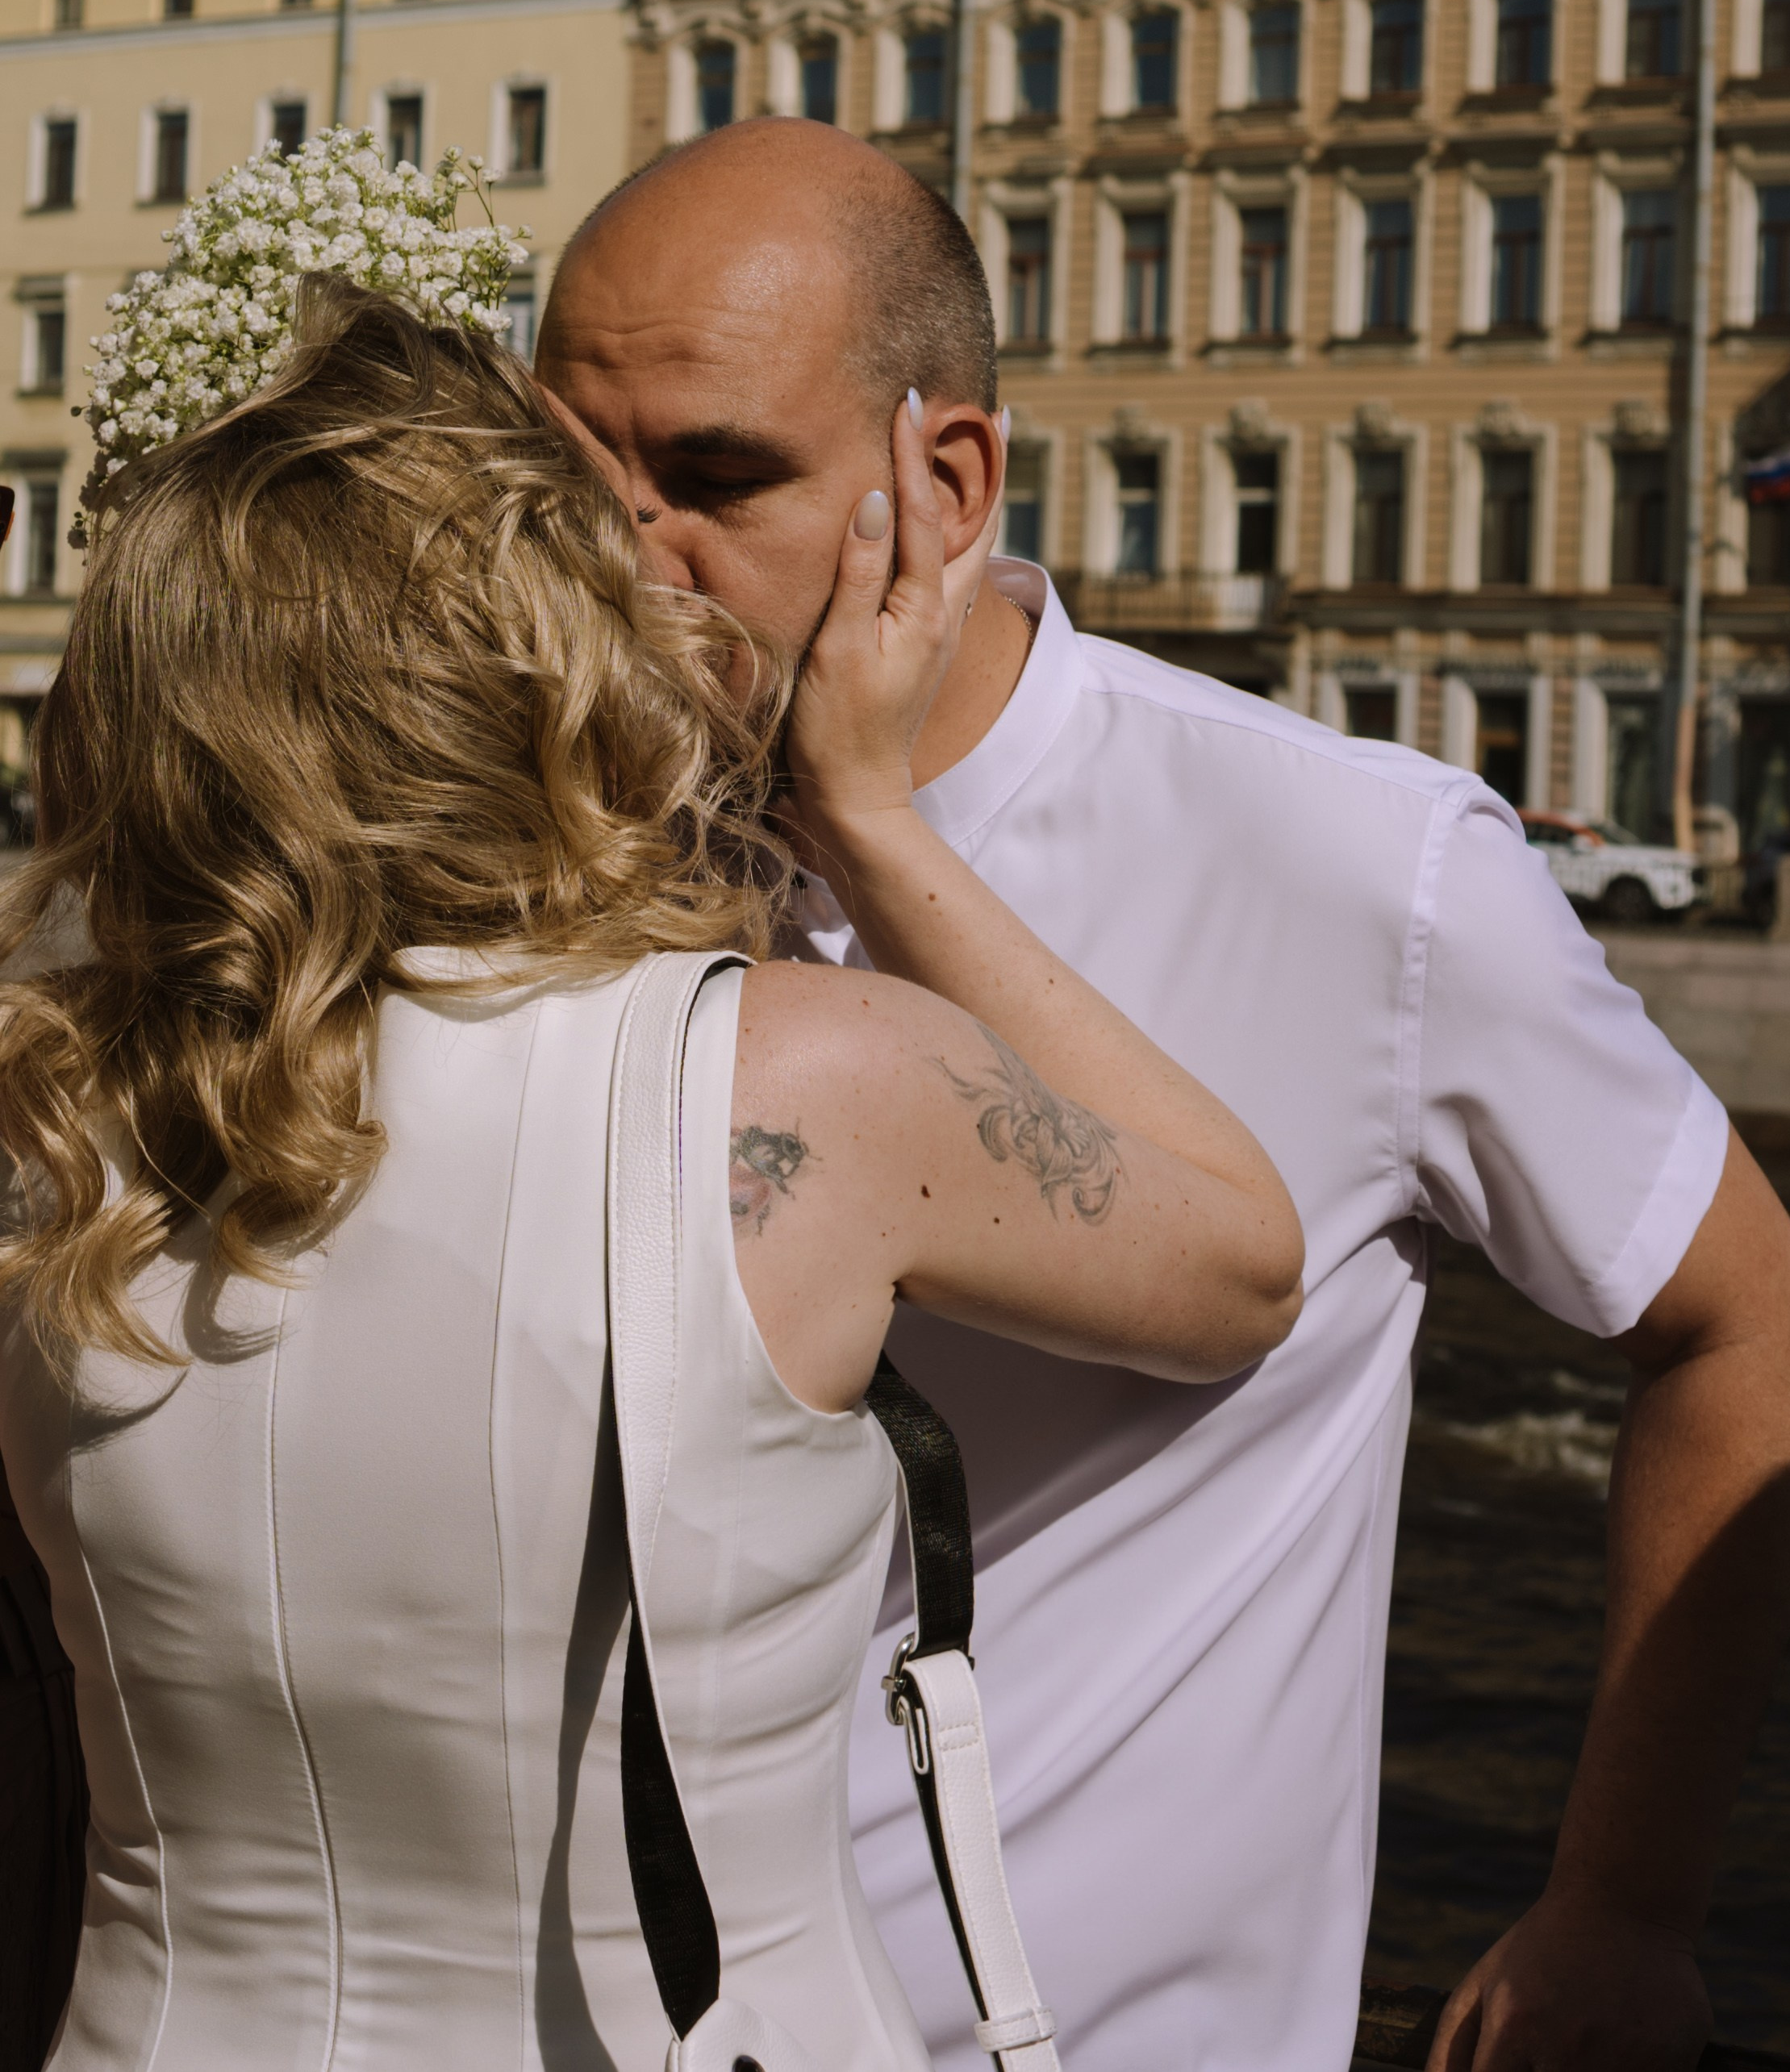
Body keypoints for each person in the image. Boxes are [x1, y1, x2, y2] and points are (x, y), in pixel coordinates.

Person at [536, 118, 1790, 2072]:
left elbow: (1745, 1322)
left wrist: (1622, 1906)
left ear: (942, 477)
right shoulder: (519, 848)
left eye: (717, 479)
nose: (622, 555)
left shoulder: (1357, 867)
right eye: (566, 471)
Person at [0, 281, 1304, 2072]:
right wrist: (873, 815)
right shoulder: (802, 1077)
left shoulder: (58, 1112)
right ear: (537, 664)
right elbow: (1243, 1260)